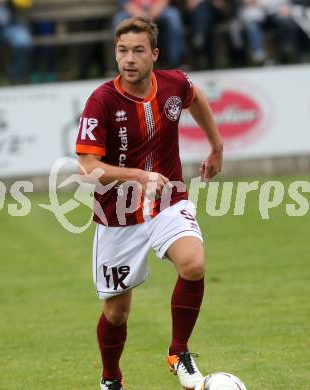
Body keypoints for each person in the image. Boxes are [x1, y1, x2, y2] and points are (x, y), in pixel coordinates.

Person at [76, 16, 223, 390]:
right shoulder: (102, 101)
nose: (129, 58)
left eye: (138, 51)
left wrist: (216, 145)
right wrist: (139, 177)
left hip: (169, 200)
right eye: (122, 50)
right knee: (117, 313)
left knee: (193, 264)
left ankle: (178, 352)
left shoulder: (173, 83)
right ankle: (111, 378)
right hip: (118, 216)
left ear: (153, 54)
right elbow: (88, 168)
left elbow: (195, 97)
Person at [112, 0, 185, 67]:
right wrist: (139, 13)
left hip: (160, 8)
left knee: (174, 18)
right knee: (118, 22)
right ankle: (121, 64)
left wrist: (157, 8)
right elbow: (125, 3)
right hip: (132, 11)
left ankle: (175, 63)